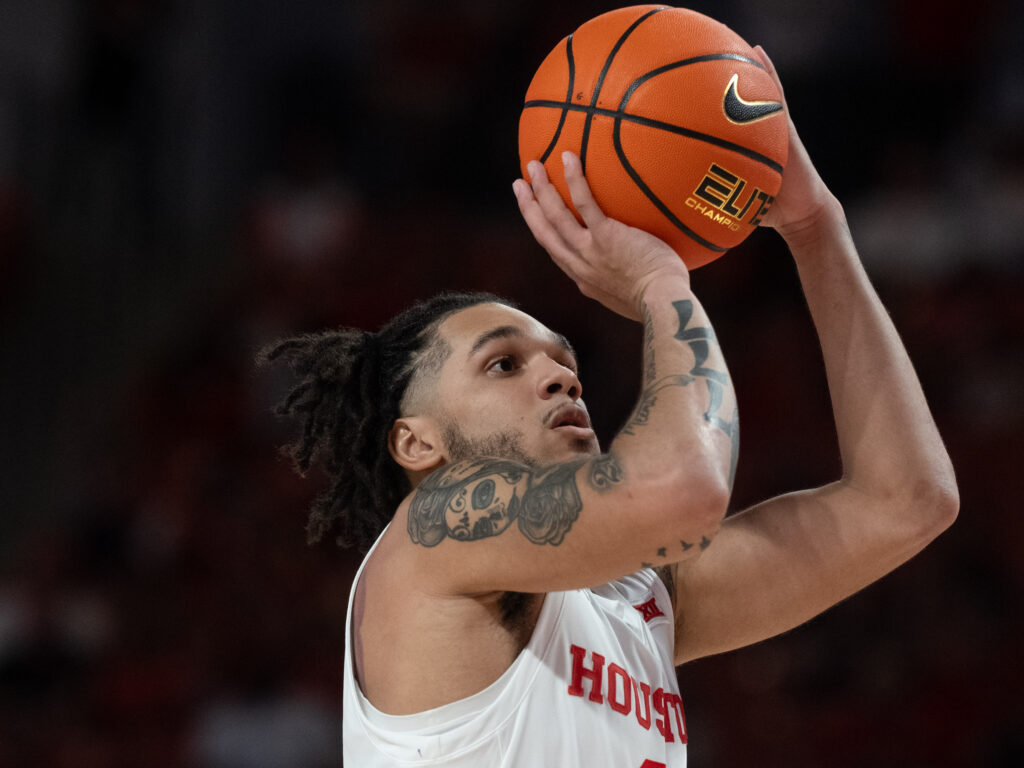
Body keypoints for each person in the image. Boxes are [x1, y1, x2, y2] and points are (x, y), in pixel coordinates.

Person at [261, 47, 958, 766]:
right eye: (504, 363)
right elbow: (686, 491)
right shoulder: (435, 536)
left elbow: (907, 501)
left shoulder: (635, 598)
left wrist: (815, 227)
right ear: (417, 444)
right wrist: (663, 285)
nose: (561, 379)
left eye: (566, 362)